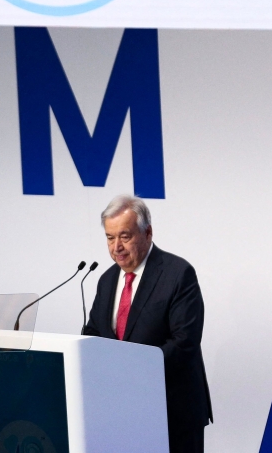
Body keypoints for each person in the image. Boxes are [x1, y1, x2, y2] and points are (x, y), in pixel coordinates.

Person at [82, 194, 213, 453]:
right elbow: (94, 333)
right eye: (110, 238)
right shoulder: (107, 280)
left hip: (172, 412)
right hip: (121, 413)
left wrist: (131, 371)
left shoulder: (178, 273)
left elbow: (184, 343)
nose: (116, 247)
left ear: (148, 233)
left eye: (125, 236)